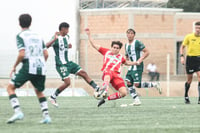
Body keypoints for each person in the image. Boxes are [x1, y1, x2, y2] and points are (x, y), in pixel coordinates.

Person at [7, 14, 51, 124]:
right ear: (30, 23)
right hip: (40, 66)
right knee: (39, 91)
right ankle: (46, 116)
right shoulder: (38, 36)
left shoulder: (20, 36)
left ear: (19, 23)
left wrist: (14, 66)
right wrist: (40, 64)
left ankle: (18, 112)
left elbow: (22, 54)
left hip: (28, 66)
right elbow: (46, 54)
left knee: (10, 87)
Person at [46, 22, 99, 107]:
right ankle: (53, 97)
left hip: (68, 63)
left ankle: (97, 88)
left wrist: (68, 46)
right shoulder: (56, 37)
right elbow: (46, 46)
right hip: (61, 64)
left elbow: (64, 46)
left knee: (83, 73)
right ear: (62, 29)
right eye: (67, 29)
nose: (68, 31)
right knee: (67, 82)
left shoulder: (67, 37)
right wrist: (54, 39)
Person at [85, 28, 138, 107]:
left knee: (123, 93)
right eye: (114, 47)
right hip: (107, 73)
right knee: (108, 72)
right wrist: (89, 35)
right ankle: (104, 91)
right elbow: (94, 45)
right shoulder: (106, 52)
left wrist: (136, 62)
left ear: (119, 49)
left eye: (117, 48)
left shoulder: (121, 57)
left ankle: (105, 99)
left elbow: (127, 63)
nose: (115, 49)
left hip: (116, 76)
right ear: (111, 47)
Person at [125, 28, 162, 106]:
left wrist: (140, 60)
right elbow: (127, 56)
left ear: (134, 35)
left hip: (138, 66)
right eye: (128, 33)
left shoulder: (137, 42)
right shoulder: (126, 45)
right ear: (126, 35)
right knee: (128, 82)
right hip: (131, 66)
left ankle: (155, 84)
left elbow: (147, 52)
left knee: (137, 84)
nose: (130, 35)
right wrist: (124, 61)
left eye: (131, 33)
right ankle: (136, 100)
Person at [180, 21, 200, 104]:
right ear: (194, 28)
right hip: (190, 60)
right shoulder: (189, 37)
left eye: (199, 28)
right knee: (189, 80)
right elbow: (182, 47)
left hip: (199, 59)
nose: (198, 29)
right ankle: (186, 95)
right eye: (196, 28)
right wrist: (182, 56)